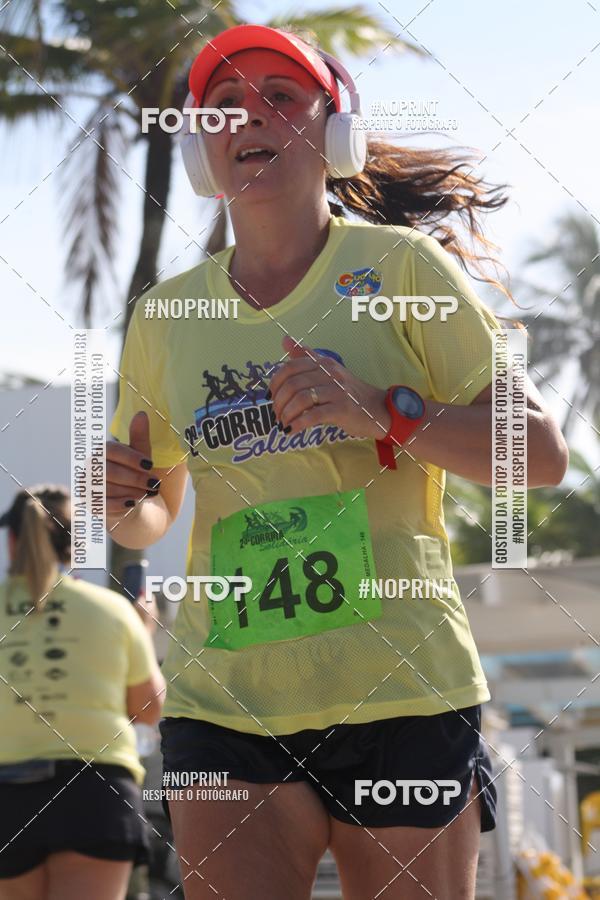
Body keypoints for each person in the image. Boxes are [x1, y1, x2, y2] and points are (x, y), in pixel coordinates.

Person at [107, 24, 569, 900]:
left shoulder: (401, 267)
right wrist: (122, 498)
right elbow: (152, 511)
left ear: (334, 129)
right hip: (225, 698)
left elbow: (539, 453)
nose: (253, 115)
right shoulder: (166, 317)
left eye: (281, 96)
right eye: (225, 104)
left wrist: (384, 413)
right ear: (205, 147)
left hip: (400, 688)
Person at [0, 485, 165, 900]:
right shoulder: (114, 611)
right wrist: (143, 631)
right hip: (95, 791)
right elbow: (149, 709)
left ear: (12, 541)